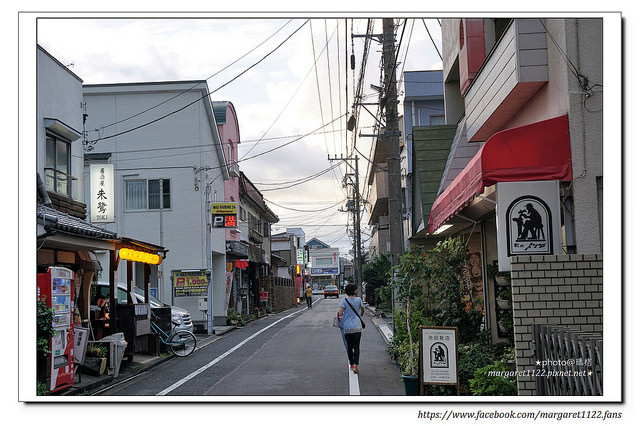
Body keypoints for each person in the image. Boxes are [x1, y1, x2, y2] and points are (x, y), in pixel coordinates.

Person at [337, 283, 365, 374]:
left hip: (347, 327)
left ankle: (351, 363)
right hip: (357, 327)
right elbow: (362, 310)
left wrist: (341, 315)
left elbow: (340, 313)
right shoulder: (359, 300)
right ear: (353, 291)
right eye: (356, 289)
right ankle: (355, 365)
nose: (357, 291)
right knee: (356, 346)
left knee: (349, 347)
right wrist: (359, 315)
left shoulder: (344, 301)